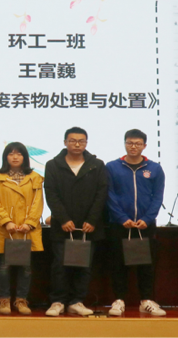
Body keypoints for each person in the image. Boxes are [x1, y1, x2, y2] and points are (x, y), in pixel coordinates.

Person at [43, 127, 108, 317]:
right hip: (62, 226)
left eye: (81, 141)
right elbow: (51, 194)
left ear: (86, 143)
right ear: (65, 142)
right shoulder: (53, 165)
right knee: (60, 266)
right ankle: (57, 301)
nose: (77, 144)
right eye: (72, 140)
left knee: (84, 266)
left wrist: (92, 220)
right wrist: (63, 219)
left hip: (89, 227)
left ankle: (76, 301)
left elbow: (101, 193)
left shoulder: (96, 165)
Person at [105, 129, 166, 317]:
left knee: (146, 265)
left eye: (138, 144)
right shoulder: (112, 167)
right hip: (119, 225)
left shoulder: (154, 168)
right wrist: (122, 218)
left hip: (144, 225)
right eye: (130, 143)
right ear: (125, 144)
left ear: (144, 146)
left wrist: (147, 219)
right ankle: (119, 300)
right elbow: (109, 195)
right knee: (118, 264)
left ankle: (146, 301)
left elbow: (157, 197)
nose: (133, 147)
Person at [0, 142, 44, 315]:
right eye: (11, 154)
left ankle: (21, 300)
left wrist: (30, 222)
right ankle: (4, 300)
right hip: (6, 229)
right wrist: (6, 221)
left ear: (25, 157)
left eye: (19, 154)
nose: (15, 157)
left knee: (26, 267)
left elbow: (38, 202)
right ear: (5, 157)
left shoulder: (35, 177)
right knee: (3, 266)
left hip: (28, 229)